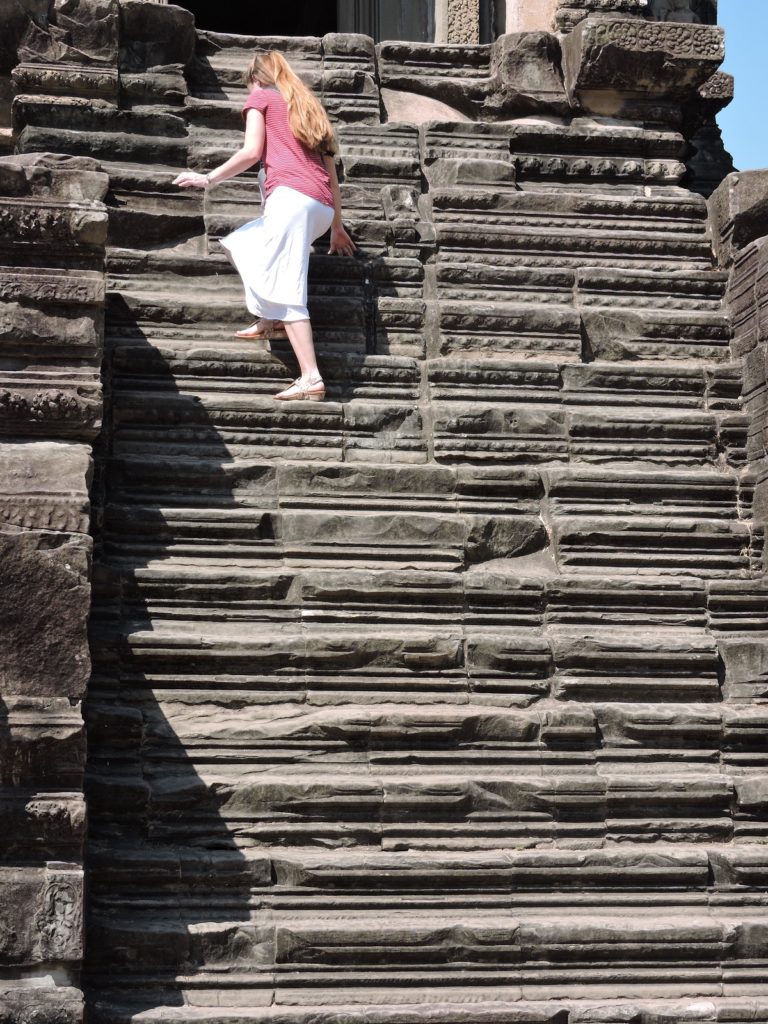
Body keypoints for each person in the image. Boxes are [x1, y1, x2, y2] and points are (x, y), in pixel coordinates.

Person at [173, 50, 356, 402]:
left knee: (289, 292)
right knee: (238, 244)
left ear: (256, 79)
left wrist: (207, 178)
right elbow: (331, 172)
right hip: (318, 207)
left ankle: (310, 377)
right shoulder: (307, 106)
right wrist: (336, 224)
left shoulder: (262, 97)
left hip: (290, 199)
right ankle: (269, 319)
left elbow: (252, 151)